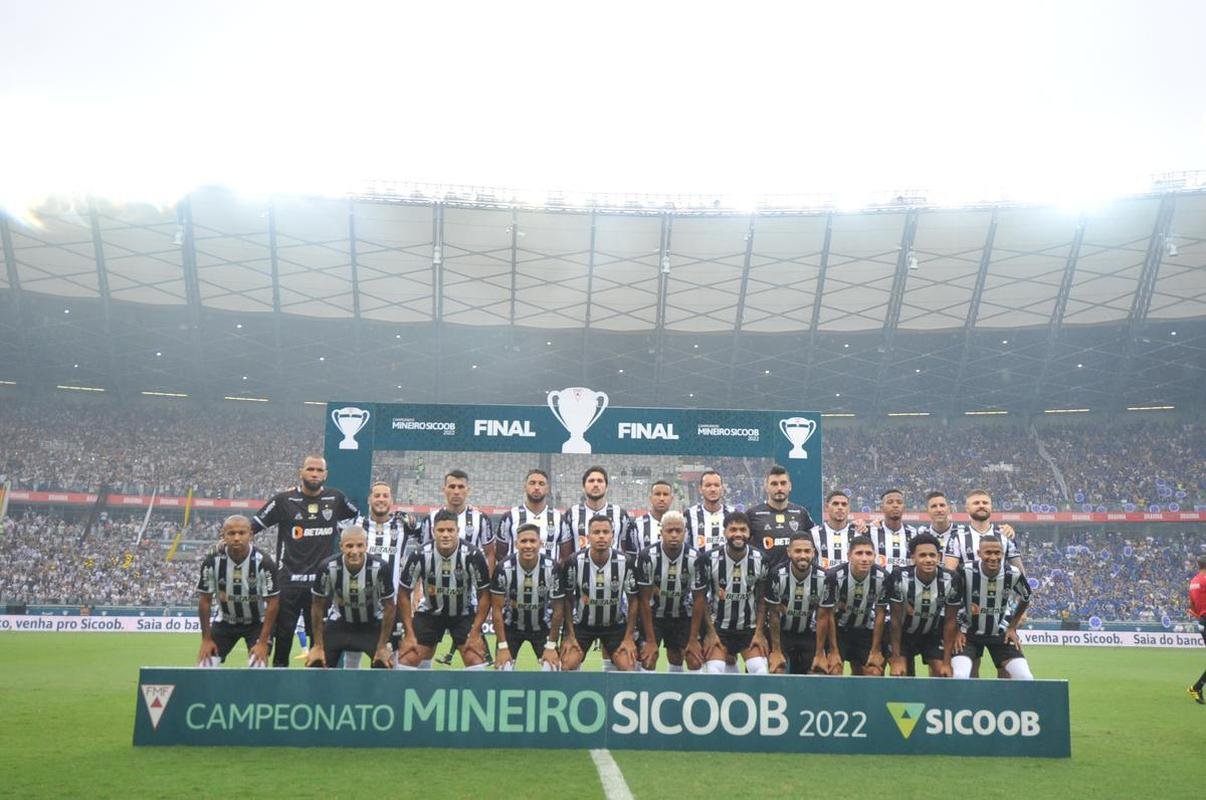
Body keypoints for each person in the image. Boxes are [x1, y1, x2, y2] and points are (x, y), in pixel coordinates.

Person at [251, 456, 358, 666]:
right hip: (288, 581)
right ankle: (280, 690)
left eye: (319, 470)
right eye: (310, 469)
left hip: (321, 584)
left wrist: (342, 533)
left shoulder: (335, 498)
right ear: (301, 472)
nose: (315, 473)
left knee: (320, 643)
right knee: (283, 640)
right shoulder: (283, 500)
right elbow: (252, 526)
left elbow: (354, 517)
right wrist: (223, 542)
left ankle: (316, 691)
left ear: (325, 474)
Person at [397, 509, 492, 670]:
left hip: (463, 613)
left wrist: (475, 632)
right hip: (430, 612)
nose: (445, 534)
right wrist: (409, 633)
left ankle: (472, 694)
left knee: (475, 660)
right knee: (409, 659)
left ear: (458, 531)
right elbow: (403, 593)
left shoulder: (473, 555)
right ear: (433, 531)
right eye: (441, 530)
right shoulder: (419, 555)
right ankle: (425, 688)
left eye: (450, 530)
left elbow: (484, 595)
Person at [420, 469, 495, 665]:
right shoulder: (430, 519)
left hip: (468, 596)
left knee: (474, 653)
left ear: (467, 490)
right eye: (452, 486)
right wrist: (418, 593)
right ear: (444, 489)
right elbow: (422, 556)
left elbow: (489, 553)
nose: (456, 491)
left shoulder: (480, 519)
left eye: (460, 487)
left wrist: (487, 588)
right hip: (435, 594)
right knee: (423, 649)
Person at [686, 511, 771, 674]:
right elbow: (700, 598)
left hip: (749, 628)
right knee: (714, 671)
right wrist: (710, 633)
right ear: (724, 532)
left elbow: (761, 599)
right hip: (719, 628)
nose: (738, 534)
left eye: (742, 529)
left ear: (749, 532)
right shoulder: (708, 559)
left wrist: (759, 633)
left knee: (760, 671)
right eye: (733, 530)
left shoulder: (761, 559)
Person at [558, 515, 643, 671]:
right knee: (567, 664)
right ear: (588, 536)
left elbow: (634, 601)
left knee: (629, 667)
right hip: (582, 625)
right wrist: (569, 635)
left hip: (614, 625)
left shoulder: (626, 562)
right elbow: (567, 600)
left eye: (606, 532)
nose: (601, 536)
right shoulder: (574, 562)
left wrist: (629, 637)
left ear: (612, 535)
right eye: (596, 532)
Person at [946, 535, 1035, 680]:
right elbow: (950, 601)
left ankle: (1007, 703)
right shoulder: (965, 571)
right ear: (979, 553)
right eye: (988, 553)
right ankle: (968, 703)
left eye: (997, 553)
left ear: (1003, 553)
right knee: (959, 676)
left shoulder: (1012, 573)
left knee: (1025, 677)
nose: (993, 557)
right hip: (968, 633)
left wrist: (1012, 627)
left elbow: (1027, 597)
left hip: (1000, 632)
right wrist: (956, 630)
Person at [196, 514, 279, 667]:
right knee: (204, 665)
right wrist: (206, 640)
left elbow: (273, 603)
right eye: (231, 533)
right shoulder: (212, 561)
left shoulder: (264, 562)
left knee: (258, 665)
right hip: (226, 621)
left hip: (257, 622)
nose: (236, 538)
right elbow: (205, 600)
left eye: (242, 533)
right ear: (223, 535)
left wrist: (262, 642)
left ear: (251, 535)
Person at [305, 527, 395, 669]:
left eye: (360, 545)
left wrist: (383, 645)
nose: (354, 551)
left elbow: (390, 606)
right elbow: (317, 605)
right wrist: (317, 645)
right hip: (340, 623)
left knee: (384, 665)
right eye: (349, 546)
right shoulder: (327, 567)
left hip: (371, 624)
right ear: (341, 546)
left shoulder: (380, 568)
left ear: (366, 545)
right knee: (316, 664)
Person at [352, 481, 415, 665]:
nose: (381, 499)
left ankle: (388, 693)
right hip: (360, 601)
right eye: (377, 495)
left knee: (389, 656)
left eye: (385, 496)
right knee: (353, 652)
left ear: (391, 500)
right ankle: (350, 693)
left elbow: (429, 532)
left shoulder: (403, 525)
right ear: (369, 499)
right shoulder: (356, 524)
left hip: (391, 603)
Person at [490, 522, 564, 671]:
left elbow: (558, 610)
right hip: (511, 627)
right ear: (516, 544)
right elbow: (496, 609)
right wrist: (502, 647)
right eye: (523, 541)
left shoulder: (552, 567)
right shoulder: (504, 568)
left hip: (542, 627)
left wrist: (551, 645)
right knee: (503, 670)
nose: (528, 545)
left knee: (553, 669)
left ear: (541, 543)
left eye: (532, 541)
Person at [635, 511, 700, 672]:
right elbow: (643, 600)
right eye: (669, 530)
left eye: (678, 531)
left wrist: (693, 639)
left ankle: (685, 695)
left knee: (693, 659)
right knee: (648, 658)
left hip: (683, 615)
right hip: (653, 616)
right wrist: (650, 641)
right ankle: (646, 695)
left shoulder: (695, 557)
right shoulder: (647, 556)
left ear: (685, 532)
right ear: (661, 531)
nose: (674, 535)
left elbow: (699, 599)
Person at [887, 532, 959, 678]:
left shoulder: (951, 579)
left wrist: (946, 662)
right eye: (922, 555)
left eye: (932, 555)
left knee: (942, 673)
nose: (928, 560)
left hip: (931, 634)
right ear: (913, 558)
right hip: (903, 635)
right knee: (901, 673)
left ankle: (935, 701)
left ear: (939, 557)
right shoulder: (899, 577)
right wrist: (895, 658)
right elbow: (895, 621)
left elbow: (950, 621)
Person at [817, 535, 890, 676]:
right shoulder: (834, 576)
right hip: (839, 632)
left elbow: (881, 614)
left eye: (868, 553)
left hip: (865, 631)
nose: (864, 558)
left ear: (875, 556)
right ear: (849, 555)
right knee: (834, 670)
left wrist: (875, 650)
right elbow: (828, 614)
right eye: (859, 553)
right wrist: (833, 651)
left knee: (873, 672)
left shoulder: (883, 577)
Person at [766, 532, 827, 674]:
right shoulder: (776, 574)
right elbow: (773, 615)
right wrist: (776, 650)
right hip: (782, 634)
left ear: (813, 552)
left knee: (819, 671)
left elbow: (823, 618)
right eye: (798, 551)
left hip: (809, 634)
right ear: (789, 552)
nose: (803, 555)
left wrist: (820, 653)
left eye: (807, 551)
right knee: (776, 669)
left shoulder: (824, 578)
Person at [747, 465, 816, 570]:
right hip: (764, 579)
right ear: (766, 487)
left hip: (793, 578)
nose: (779, 488)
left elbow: (814, 545)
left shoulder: (801, 513)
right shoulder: (753, 514)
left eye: (783, 483)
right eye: (774, 484)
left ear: (790, 486)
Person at [496, 469, 570, 562]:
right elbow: (500, 554)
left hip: (549, 575)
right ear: (525, 487)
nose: (536, 487)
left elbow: (566, 555)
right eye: (532, 483)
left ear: (547, 489)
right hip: (516, 575)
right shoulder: (510, 517)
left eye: (541, 484)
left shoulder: (559, 519)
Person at [942, 489, 1022, 572]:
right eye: (976, 503)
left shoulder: (1005, 533)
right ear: (967, 508)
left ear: (991, 507)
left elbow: (1019, 572)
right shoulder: (957, 537)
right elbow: (949, 573)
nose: (981, 506)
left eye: (985, 503)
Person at [563, 466, 631, 551]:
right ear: (583, 487)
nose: (595, 484)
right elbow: (566, 549)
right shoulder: (571, 514)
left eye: (600, 481)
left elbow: (624, 546)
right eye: (591, 481)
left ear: (606, 487)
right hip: (580, 564)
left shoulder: (621, 514)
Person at [811, 490, 865, 570]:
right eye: (835, 504)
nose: (840, 507)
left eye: (844, 504)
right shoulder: (814, 533)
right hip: (824, 581)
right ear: (826, 507)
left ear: (848, 508)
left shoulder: (859, 532)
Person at [684, 470, 733, 551]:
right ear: (700, 489)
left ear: (722, 488)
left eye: (716, 485)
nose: (712, 489)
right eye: (708, 485)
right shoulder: (689, 514)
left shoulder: (733, 513)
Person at [623, 480, 675, 556]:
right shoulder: (636, 524)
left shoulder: (681, 525)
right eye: (657, 494)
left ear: (671, 499)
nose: (661, 498)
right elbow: (631, 554)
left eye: (665, 494)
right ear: (650, 498)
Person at [868, 489, 915, 572]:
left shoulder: (914, 533)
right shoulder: (870, 531)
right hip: (880, 583)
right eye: (890, 502)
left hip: (906, 583)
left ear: (904, 507)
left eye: (899, 502)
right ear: (882, 508)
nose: (895, 505)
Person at [1186, 554, 1206, 704]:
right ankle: (1196, 688)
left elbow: (1192, 606)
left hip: (1202, 620)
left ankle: (1197, 687)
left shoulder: (1193, 581)